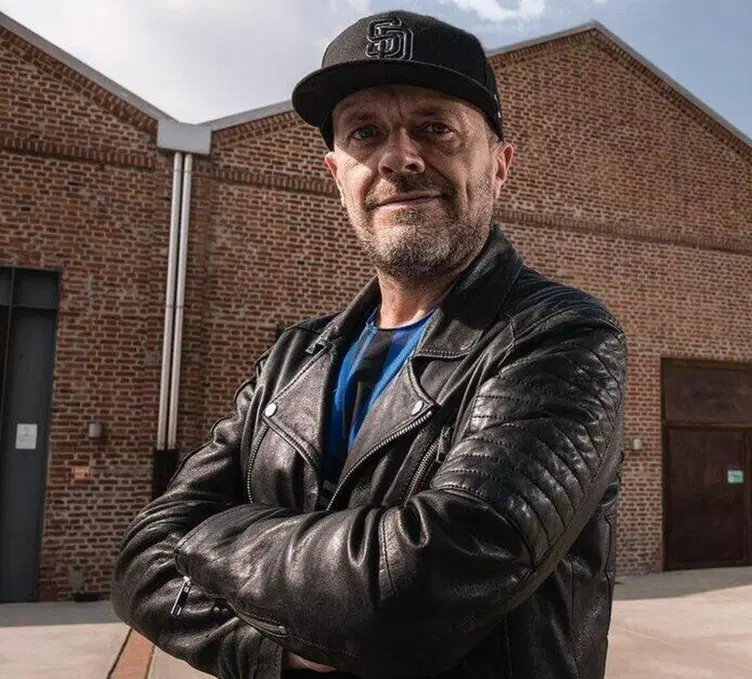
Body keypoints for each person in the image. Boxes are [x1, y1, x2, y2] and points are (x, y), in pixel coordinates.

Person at [111, 10, 628, 679]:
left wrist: (215, 533)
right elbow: (140, 563)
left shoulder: (561, 337)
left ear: (499, 166)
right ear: (337, 173)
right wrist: (271, 653)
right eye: (365, 132)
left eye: (436, 128)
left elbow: (417, 589)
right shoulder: (291, 360)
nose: (399, 158)